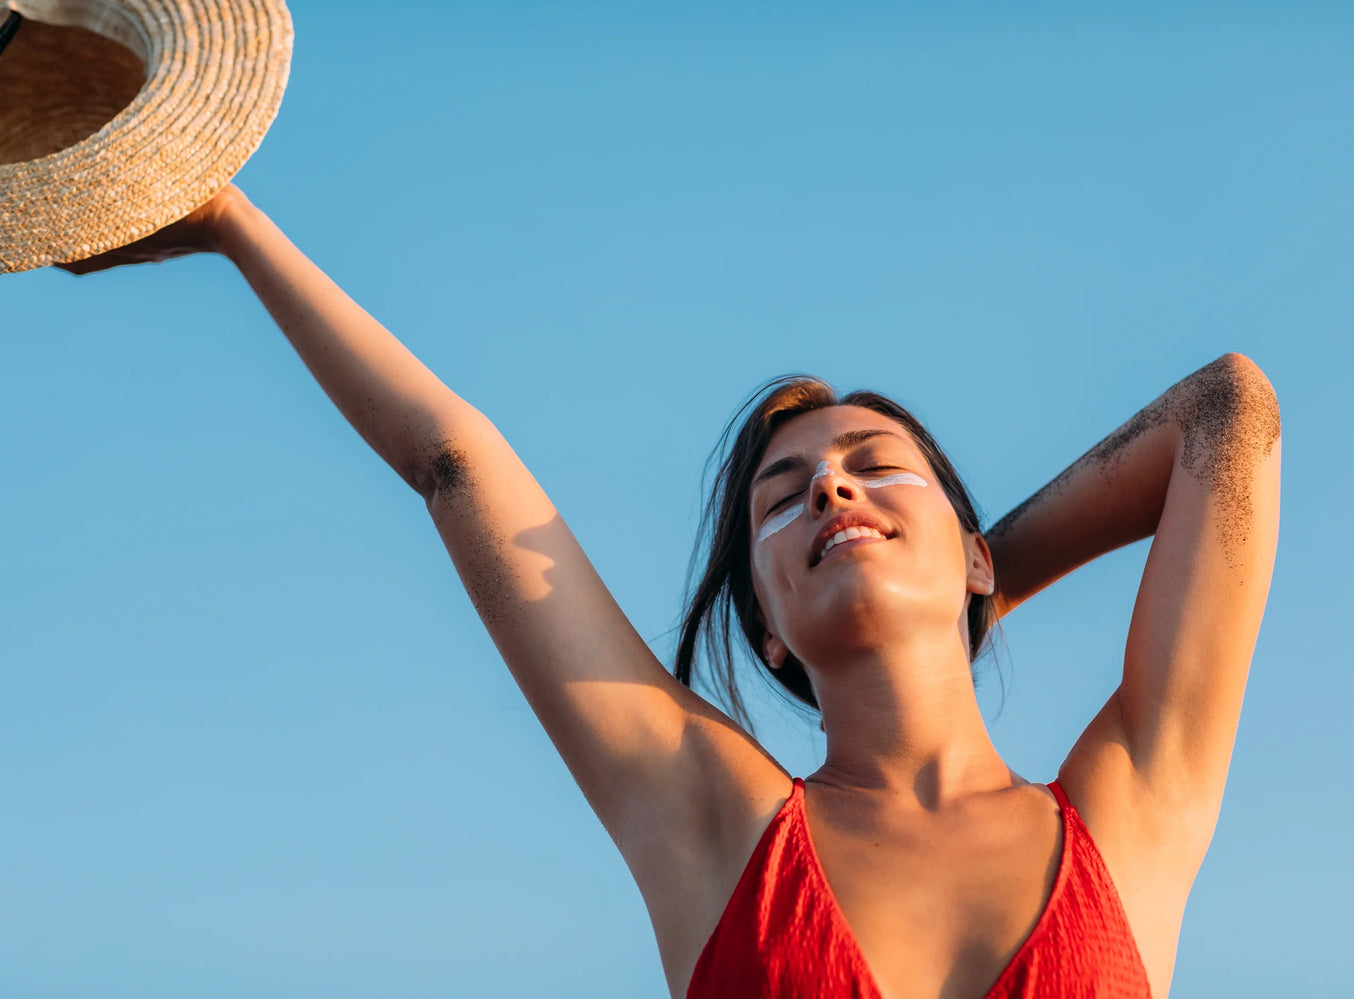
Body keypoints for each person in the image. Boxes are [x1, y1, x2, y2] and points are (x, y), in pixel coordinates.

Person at [62, 184, 1281, 999]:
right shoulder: (715, 817)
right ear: (761, 620)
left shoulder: (1130, 810)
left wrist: (980, 582)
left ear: (965, 544)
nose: (832, 497)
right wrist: (230, 222)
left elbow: (1227, 409)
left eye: (872, 472)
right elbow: (453, 466)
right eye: (785, 499)